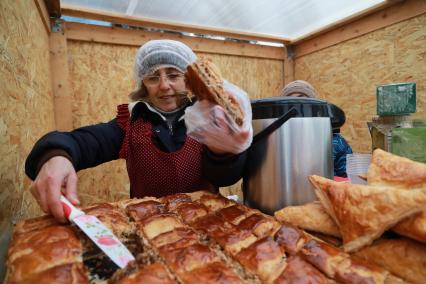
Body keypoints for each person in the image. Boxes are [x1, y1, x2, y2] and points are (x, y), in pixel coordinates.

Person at [25, 39, 251, 223]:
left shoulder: (210, 122)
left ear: (190, 80)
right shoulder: (130, 123)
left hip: (206, 222)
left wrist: (224, 151)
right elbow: (83, 142)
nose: (164, 86)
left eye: (173, 75)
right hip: (148, 227)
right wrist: (55, 155)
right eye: (153, 77)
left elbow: (225, 176)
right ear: (143, 84)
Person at [280, 80, 352, 177]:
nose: (295, 109)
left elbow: (347, 178)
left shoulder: (334, 142)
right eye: (289, 103)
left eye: (302, 102)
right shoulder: (276, 141)